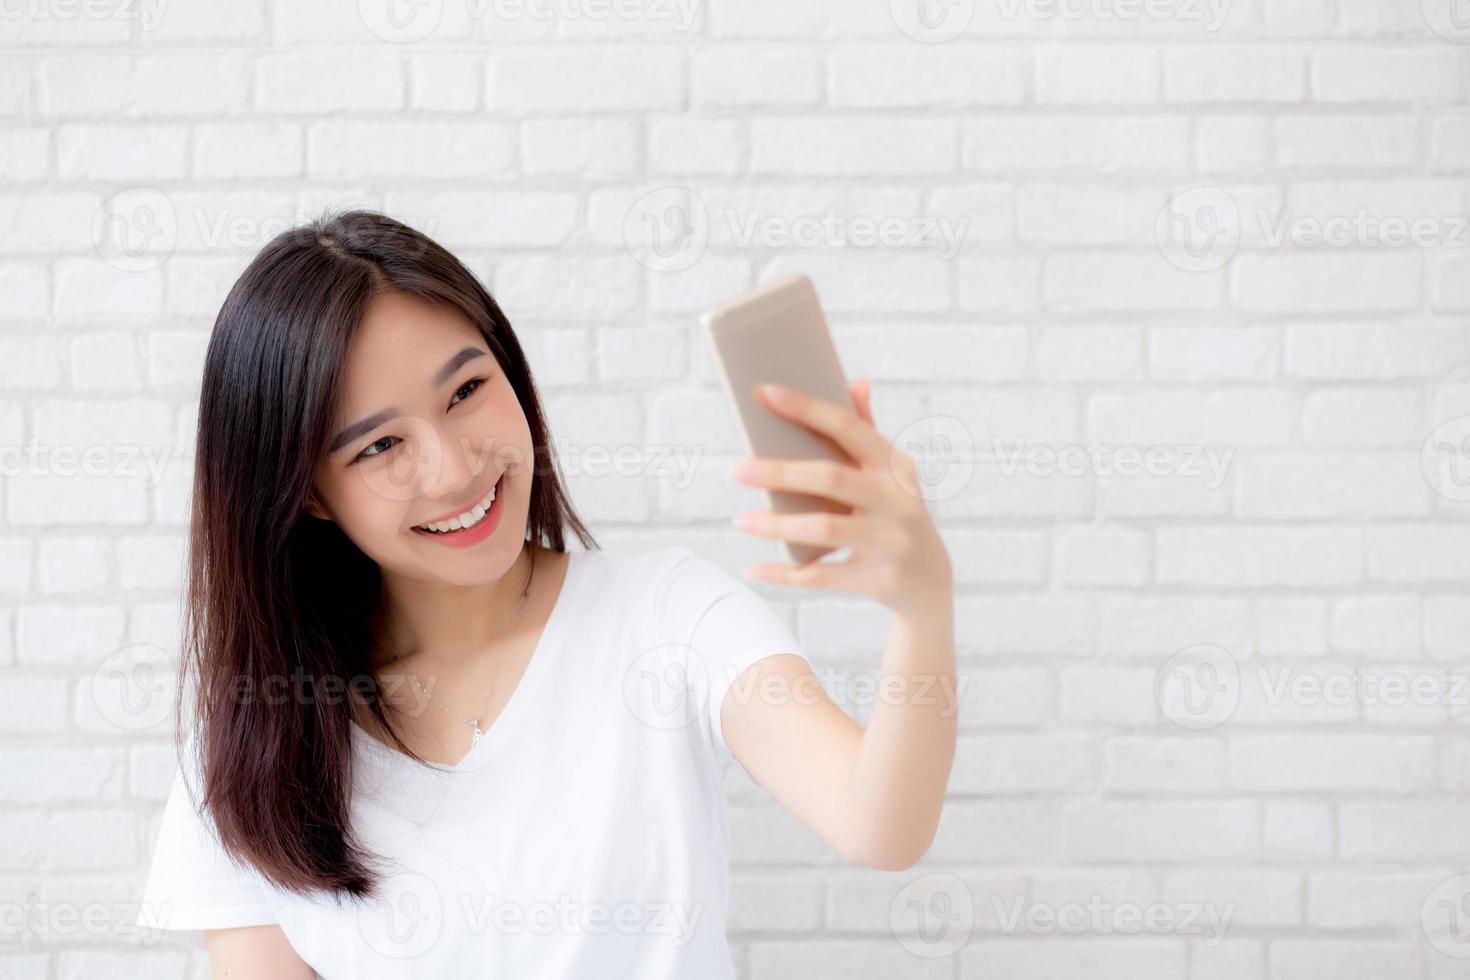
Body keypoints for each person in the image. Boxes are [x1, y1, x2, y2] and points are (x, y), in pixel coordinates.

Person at [138, 211, 957, 978]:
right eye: (382, 445)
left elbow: (879, 824)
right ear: (307, 492)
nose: (456, 469)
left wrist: (923, 605)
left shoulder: (668, 615)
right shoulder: (252, 747)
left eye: (466, 392)